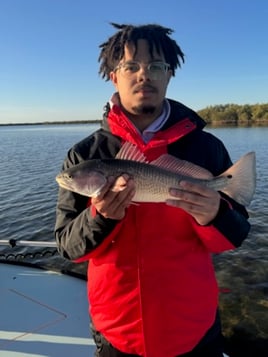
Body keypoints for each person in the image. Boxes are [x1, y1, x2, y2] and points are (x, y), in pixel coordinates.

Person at [55, 23, 251, 357]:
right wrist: (100, 217)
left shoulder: (206, 148)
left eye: (156, 66)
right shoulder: (84, 156)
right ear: (114, 76)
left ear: (170, 74)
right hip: (116, 333)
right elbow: (69, 248)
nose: (144, 75)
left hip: (194, 328)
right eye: (131, 66)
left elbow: (235, 236)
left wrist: (215, 213)